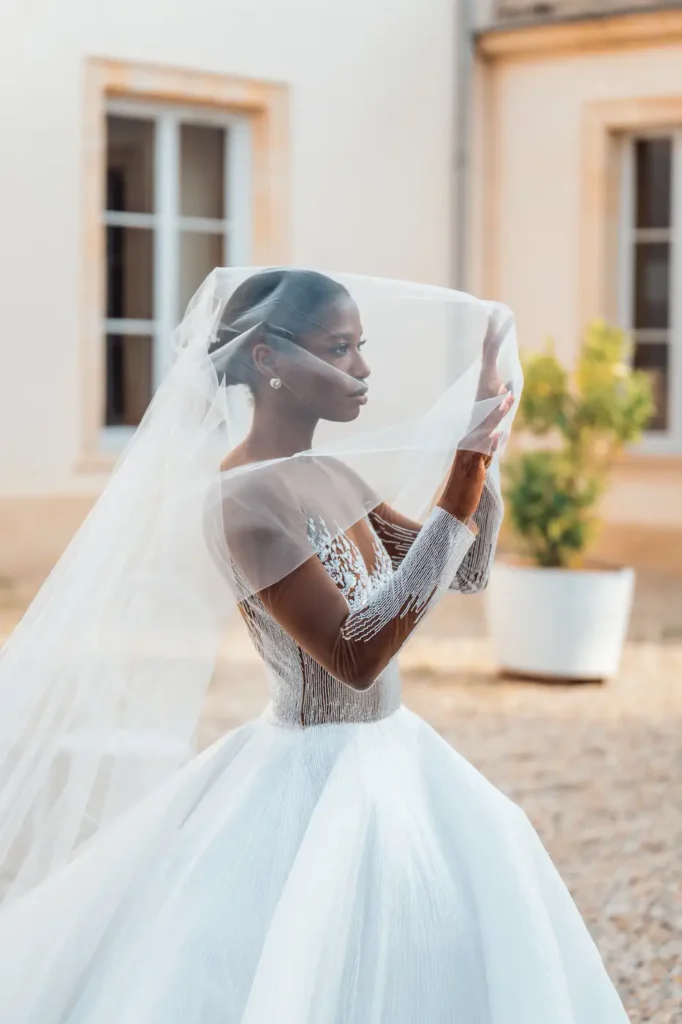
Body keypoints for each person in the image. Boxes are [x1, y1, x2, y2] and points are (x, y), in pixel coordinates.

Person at [0, 269, 629, 1022]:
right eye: (340, 349)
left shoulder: (328, 470)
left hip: (398, 751)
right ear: (267, 359)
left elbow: (463, 572)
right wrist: (461, 471)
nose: (363, 370)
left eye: (362, 346)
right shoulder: (241, 501)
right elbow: (357, 657)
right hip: (309, 771)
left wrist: (482, 445)